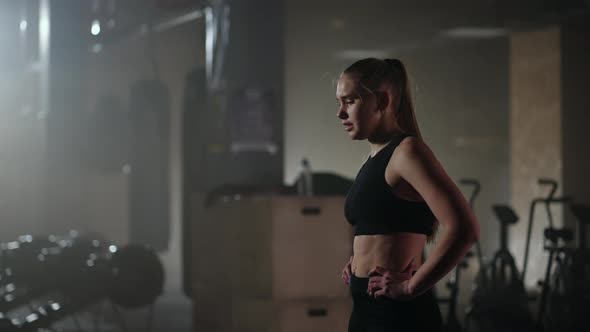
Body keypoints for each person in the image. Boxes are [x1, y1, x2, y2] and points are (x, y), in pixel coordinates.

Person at [337, 58, 479, 331]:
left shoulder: (407, 153)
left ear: (382, 100)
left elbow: (465, 228)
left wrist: (410, 287)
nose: (341, 113)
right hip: (365, 310)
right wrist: (359, 263)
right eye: (340, 102)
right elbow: (384, 224)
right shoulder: (373, 158)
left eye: (350, 101)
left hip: (397, 316)